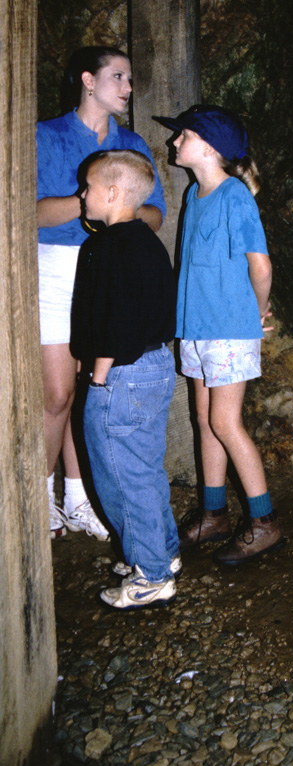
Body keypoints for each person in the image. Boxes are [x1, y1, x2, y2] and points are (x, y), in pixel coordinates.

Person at [37, 46, 167, 540]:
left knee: (94, 386)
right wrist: (90, 203)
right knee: (57, 393)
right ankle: (40, 499)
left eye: (130, 79)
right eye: (119, 77)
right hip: (55, 266)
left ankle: (78, 497)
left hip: (110, 268)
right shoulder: (44, 135)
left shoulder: (131, 142)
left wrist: (122, 214)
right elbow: (30, 213)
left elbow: (153, 213)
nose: (128, 89)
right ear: (88, 81)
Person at [155, 105, 284, 567]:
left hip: (229, 329)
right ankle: (214, 514)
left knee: (226, 423)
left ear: (208, 148)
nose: (174, 143)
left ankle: (265, 522)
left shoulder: (234, 197)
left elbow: (261, 266)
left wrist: (256, 311)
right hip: (196, 326)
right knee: (205, 419)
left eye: (182, 136)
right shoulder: (195, 195)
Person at [71, 150, 179, 609]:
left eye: (88, 187)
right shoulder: (148, 240)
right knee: (146, 470)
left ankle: (151, 573)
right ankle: (163, 552)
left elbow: (113, 319)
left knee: (120, 476)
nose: (82, 195)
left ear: (112, 194)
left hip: (121, 374)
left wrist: (97, 379)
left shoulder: (105, 245)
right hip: (156, 368)